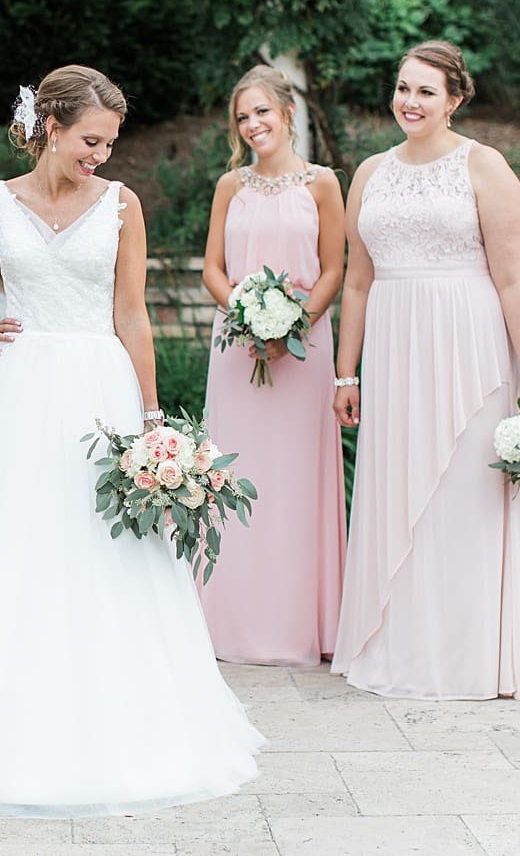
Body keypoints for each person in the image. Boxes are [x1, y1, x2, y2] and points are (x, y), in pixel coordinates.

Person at [0, 65, 263, 816]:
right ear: (51, 127)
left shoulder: (121, 205)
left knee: (101, 553)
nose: (101, 153)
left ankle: (111, 722)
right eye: (91, 139)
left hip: (98, 388)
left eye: (110, 142)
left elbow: (131, 315)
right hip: (16, 389)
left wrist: (153, 419)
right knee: (9, 548)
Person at [331, 41, 520, 701]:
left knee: (460, 496)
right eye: (402, 87)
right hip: (394, 349)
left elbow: (512, 277)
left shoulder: (484, 166)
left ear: (454, 99)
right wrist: (345, 373)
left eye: (425, 91)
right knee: (397, 492)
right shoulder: (368, 171)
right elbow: (356, 281)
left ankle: (463, 656)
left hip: (467, 345)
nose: (409, 101)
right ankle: (395, 646)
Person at [198, 65, 346, 666]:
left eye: (261, 111)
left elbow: (334, 268)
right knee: (234, 475)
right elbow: (212, 267)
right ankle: (230, 623)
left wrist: (291, 327)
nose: (252, 124)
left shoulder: (322, 184)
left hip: (304, 351)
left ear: (287, 112)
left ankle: (296, 624)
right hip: (236, 350)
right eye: (242, 116)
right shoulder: (229, 186)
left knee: (294, 482)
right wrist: (247, 315)